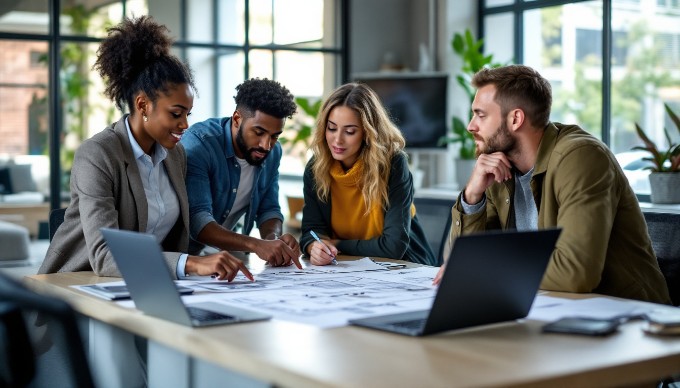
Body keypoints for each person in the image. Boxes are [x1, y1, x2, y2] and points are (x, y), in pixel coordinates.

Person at [433, 64, 670, 304]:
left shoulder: (580, 156)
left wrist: (484, 268)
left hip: (631, 319)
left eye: (480, 115)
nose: (471, 126)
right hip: (551, 309)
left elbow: (575, 273)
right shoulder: (497, 169)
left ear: (515, 119)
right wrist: (472, 197)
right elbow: (457, 264)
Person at [39, 16, 252, 282]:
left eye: (188, 114)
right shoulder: (97, 155)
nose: (185, 124)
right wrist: (192, 264)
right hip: (81, 284)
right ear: (142, 105)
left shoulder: (175, 155)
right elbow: (105, 255)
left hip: (146, 285)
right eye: (176, 114)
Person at [299, 83, 437, 266]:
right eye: (331, 128)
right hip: (345, 267)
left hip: (404, 266)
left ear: (368, 133)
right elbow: (311, 230)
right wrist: (314, 246)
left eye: (350, 131)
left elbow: (393, 247)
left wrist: (337, 244)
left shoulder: (393, 164)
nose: (337, 139)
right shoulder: (316, 167)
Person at [181, 78, 302, 268]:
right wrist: (256, 244)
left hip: (226, 258)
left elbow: (269, 209)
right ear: (237, 119)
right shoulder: (200, 144)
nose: (266, 145)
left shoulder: (273, 152)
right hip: (184, 258)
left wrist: (274, 239)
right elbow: (198, 221)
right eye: (259, 132)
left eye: (274, 136)